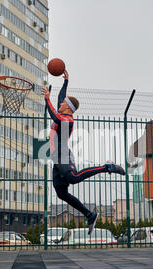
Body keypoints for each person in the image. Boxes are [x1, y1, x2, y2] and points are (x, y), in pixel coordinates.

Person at [41, 70, 126, 235]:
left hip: (63, 154)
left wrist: (47, 100)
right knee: (61, 193)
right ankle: (90, 215)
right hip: (56, 158)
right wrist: (65, 81)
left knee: (73, 178)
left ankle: (107, 167)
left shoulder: (67, 119)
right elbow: (60, 98)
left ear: (68, 107)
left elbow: (54, 115)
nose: (60, 103)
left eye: (63, 103)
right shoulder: (62, 111)